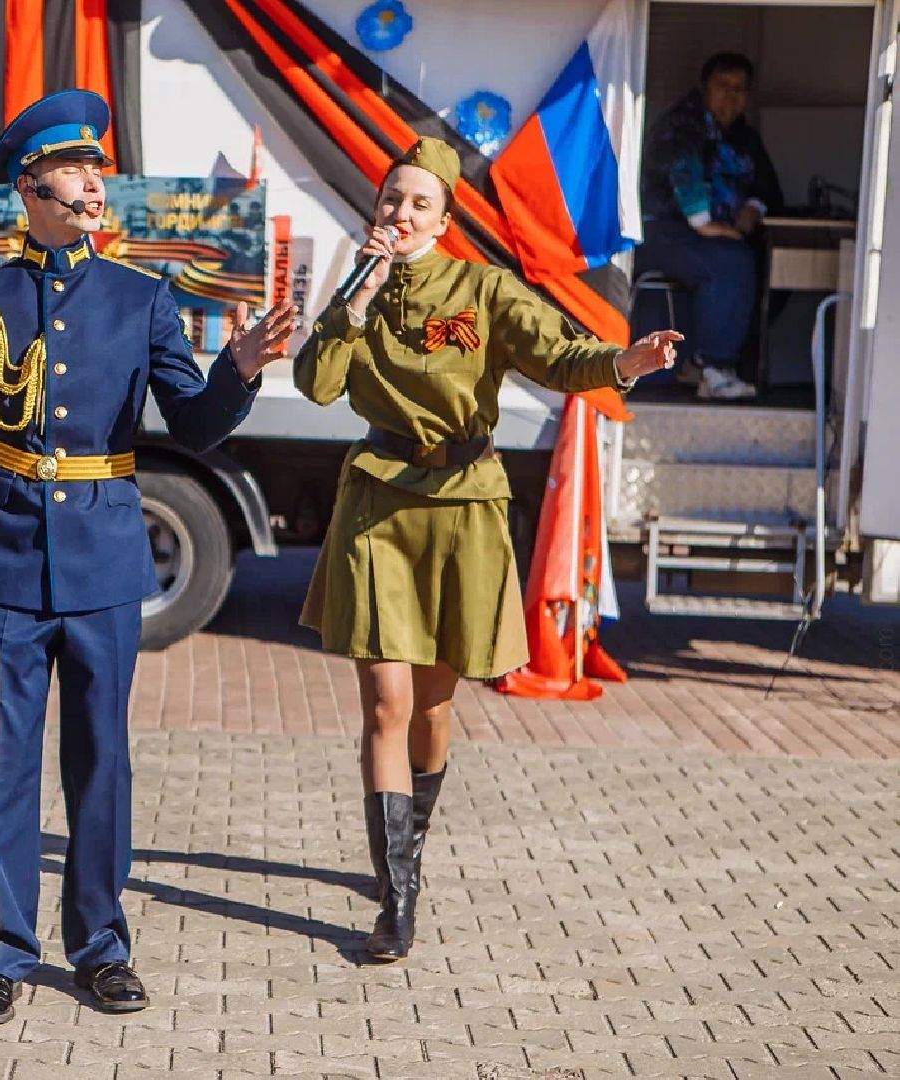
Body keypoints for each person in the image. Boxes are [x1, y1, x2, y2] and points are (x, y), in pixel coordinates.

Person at [0, 89, 295, 1024]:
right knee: (3, 762)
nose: (92, 184)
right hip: (5, 556)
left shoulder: (140, 296)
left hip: (105, 558)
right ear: (31, 193)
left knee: (100, 760)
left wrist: (236, 372)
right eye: (74, 174)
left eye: (95, 171)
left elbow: (195, 426)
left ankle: (99, 946)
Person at [295, 138, 679, 962]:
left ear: (443, 217)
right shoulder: (356, 288)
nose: (400, 214)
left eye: (418, 204)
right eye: (391, 199)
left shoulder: (482, 289)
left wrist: (624, 362)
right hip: (377, 505)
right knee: (386, 706)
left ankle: (412, 843)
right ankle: (395, 898)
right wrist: (353, 297)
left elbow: (559, 354)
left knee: (434, 706)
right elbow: (317, 383)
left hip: (463, 506)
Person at [638, 51, 782, 401]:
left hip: (715, 235)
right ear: (704, 88)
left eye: (740, 88)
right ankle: (714, 369)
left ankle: (703, 361)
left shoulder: (744, 137)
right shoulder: (683, 124)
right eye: (722, 86)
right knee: (729, 261)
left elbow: (768, 189)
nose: (731, 95)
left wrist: (753, 207)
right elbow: (682, 171)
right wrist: (704, 224)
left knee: (769, 267)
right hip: (660, 231)